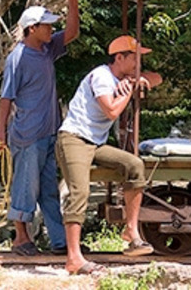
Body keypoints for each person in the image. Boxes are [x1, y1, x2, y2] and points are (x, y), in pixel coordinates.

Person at [56, 35, 162, 275]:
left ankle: (131, 231)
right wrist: (129, 90)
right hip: (74, 138)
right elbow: (112, 110)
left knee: (134, 164)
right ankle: (74, 258)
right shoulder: (102, 76)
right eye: (134, 58)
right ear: (119, 58)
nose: (138, 63)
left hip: (96, 143)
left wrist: (138, 81)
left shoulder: (125, 77)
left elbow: (157, 78)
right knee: (80, 191)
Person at [0, 0, 79, 256]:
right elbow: (6, 96)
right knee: (25, 186)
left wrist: (73, 0)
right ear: (33, 28)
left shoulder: (47, 48)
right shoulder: (17, 58)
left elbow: (73, 31)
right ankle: (21, 238)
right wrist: (1, 132)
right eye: (47, 25)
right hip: (27, 134)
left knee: (49, 190)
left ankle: (60, 240)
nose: (51, 29)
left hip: (48, 132)